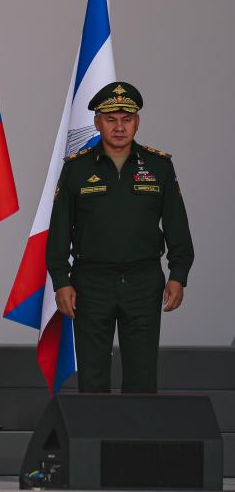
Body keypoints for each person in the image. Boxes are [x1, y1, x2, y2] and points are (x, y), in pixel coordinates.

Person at [46, 82, 193, 393]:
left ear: (137, 122)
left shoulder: (159, 167)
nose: (119, 127)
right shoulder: (76, 169)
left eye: (126, 119)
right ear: (97, 122)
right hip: (91, 283)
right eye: (111, 119)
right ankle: (93, 428)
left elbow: (177, 227)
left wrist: (178, 275)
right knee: (92, 376)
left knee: (142, 375)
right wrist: (61, 281)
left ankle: (137, 428)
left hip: (143, 282)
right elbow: (59, 232)